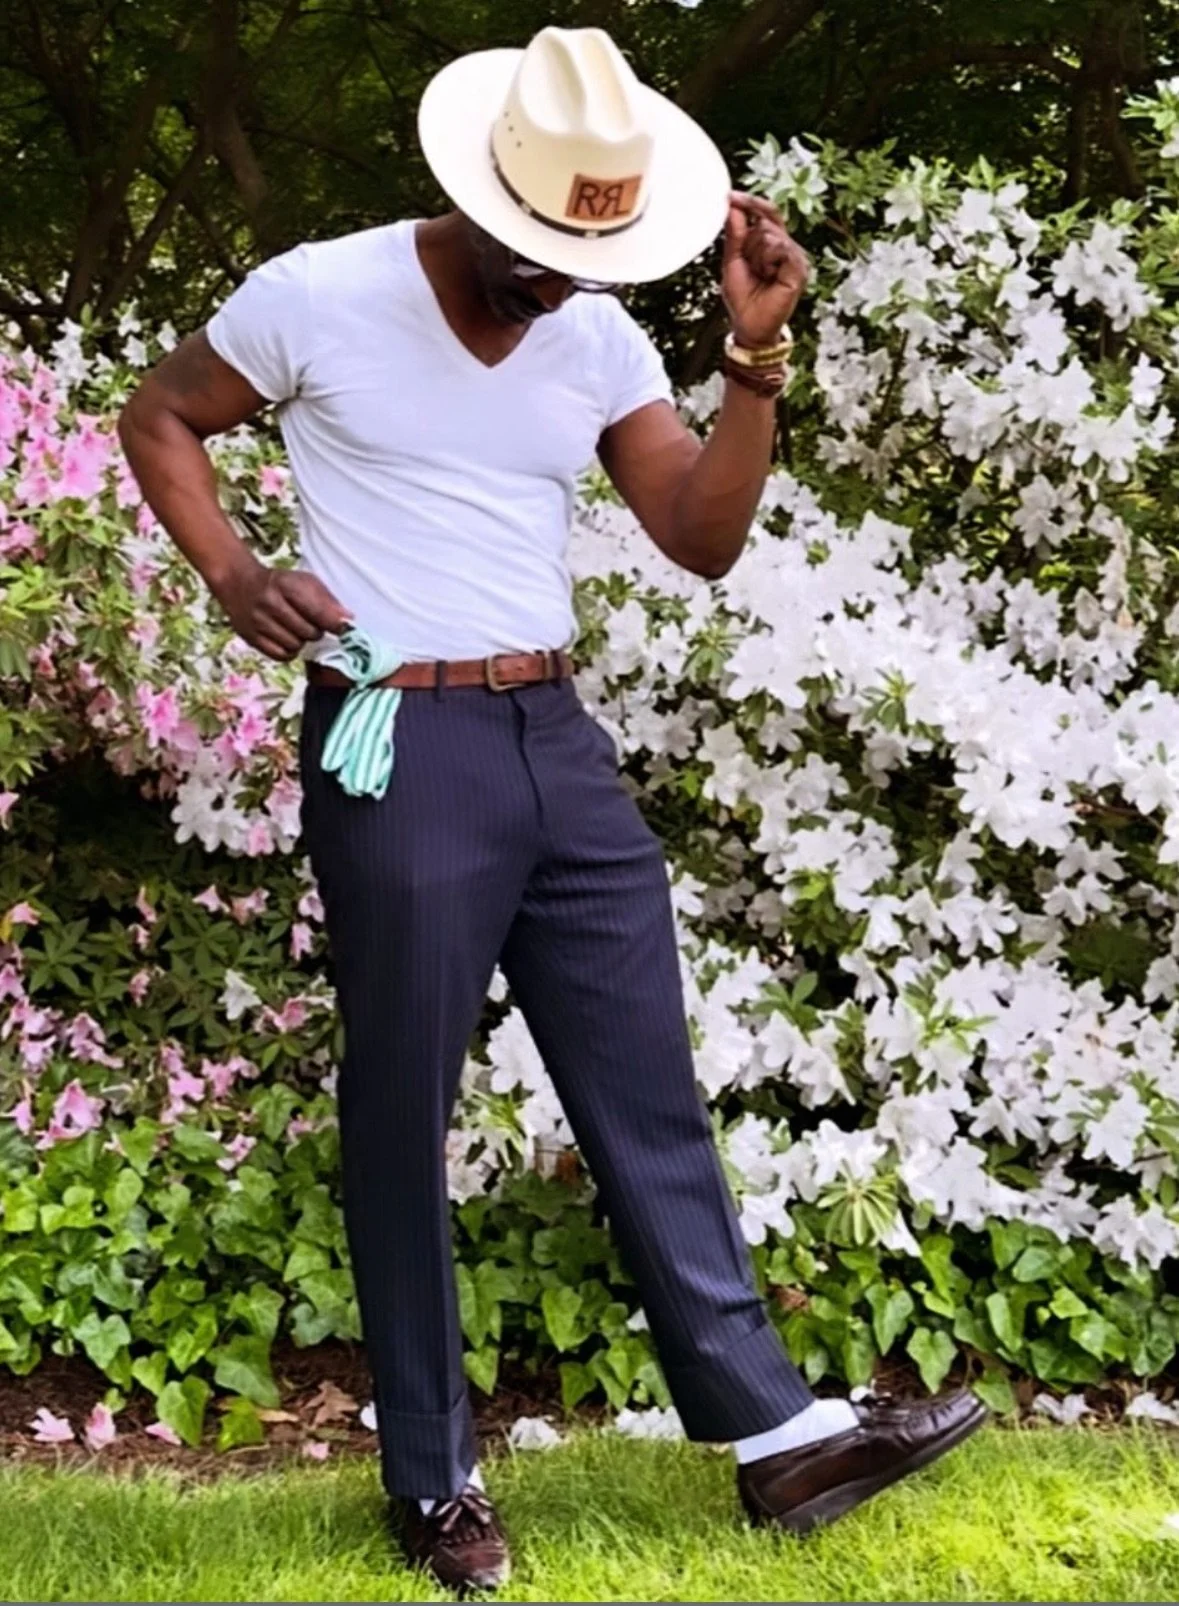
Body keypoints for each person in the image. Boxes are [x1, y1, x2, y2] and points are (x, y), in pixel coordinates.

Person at [119, 24, 986, 1595]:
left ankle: (776, 1441)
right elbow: (158, 413)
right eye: (540, 246)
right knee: (404, 1108)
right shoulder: (318, 294)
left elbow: (699, 538)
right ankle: (433, 1477)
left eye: (590, 249)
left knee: (643, 1086)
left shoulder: (594, 336)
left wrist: (755, 361)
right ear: (480, 191)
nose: (562, 277)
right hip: (397, 735)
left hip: (552, 737)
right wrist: (234, 569)